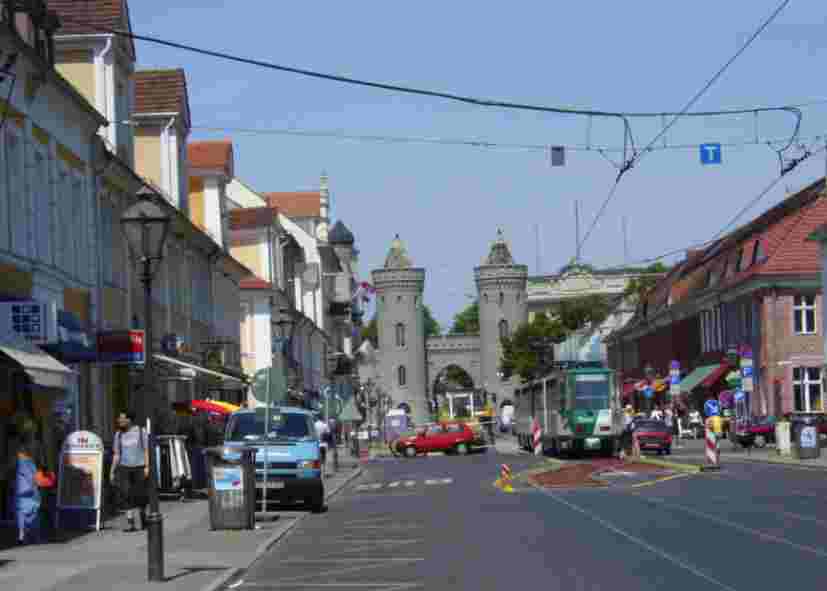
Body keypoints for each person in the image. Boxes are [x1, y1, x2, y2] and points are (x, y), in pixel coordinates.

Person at [110, 412, 149, 532]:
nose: (119, 420)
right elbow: (117, 454)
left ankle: (143, 517)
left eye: (122, 418)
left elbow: (146, 450)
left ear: (129, 420)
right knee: (126, 494)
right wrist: (112, 470)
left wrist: (147, 466)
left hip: (139, 466)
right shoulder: (118, 435)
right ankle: (130, 523)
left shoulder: (141, 431)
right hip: (124, 468)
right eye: (119, 418)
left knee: (140, 495)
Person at [14, 443, 43, 545]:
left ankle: (22, 536)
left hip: (24, 494)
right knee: (33, 515)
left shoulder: (22, 463)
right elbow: (35, 477)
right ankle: (34, 537)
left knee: (22, 515)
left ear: (20, 454)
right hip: (32, 494)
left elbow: (30, 477)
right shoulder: (31, 463)